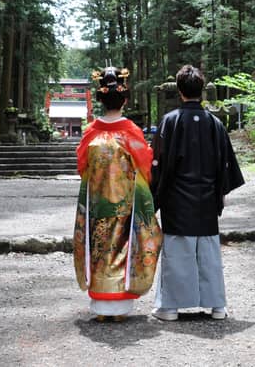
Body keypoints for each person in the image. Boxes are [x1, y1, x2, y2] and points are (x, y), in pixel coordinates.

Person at [150, 64, 244, 321]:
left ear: (180, 91)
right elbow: (226, 165)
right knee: (209, 253)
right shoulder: (215, 124)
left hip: (177, 200)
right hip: (206, 199)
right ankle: (217, 307)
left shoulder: (170, 121)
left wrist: (154, 197)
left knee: (177, 252)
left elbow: (158, 162)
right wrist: (219, 193)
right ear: (201, 91)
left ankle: (170, 308)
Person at [73, 66, 162, 322]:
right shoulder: (130, 131)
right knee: (124, 246)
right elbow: (144, 162)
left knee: (98, 248)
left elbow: (82, 165)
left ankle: (101, 307)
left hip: (97, 201)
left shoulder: (91, 131)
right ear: (124, 100)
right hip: (125, 200)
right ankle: (119, 309)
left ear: (100, 100)